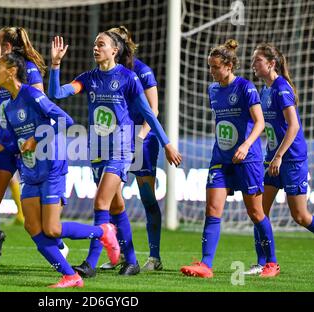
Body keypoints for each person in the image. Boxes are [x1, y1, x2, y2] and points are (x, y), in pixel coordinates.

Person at [48, 33, 181, 277]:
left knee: (101, 203)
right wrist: (55, 64)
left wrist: (167, 143)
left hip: (121, 150)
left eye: (101, 44)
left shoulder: (128, 78)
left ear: (114, 50)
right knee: (116, 207)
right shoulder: (88, 78)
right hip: (97, 150)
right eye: (94, 44)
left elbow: (149, 114)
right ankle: (131, 261)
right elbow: (57, 93)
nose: (95, 48)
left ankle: (90, 263)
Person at [0, 52, 120, 288]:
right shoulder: (8, 105)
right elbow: (17, 140)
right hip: (30, 171)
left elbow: (65, 120)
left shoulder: (31, 94)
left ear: (11, 71)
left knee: (52, 229)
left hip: (51, 166)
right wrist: (4, 146)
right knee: (32, 228)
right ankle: (71, 276)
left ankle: (102, 231)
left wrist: (36, 139)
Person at [180, 39, 280, 278]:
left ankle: (272, 263)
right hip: (221, 158)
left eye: (215, 67)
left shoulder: (245, 88)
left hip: (248, 159)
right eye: (209, 67)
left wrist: (245, 145)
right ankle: (205, 265)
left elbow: (260, 123)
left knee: (256, 213)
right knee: (212, 209)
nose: (211, 71)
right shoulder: (212, 89)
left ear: (228, 65)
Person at [0, 27, 68, 267]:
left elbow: (41, 107)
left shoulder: (29, 69)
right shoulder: (1, 67)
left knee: (40, 219)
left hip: (28, 145)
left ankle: (59, 244)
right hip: (4, 142)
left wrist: (33, 139)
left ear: (7, 45)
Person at [98, 25, 179, 272]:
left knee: (147, 198)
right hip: (115, 142)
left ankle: (154, 257)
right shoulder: (107, 73)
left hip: (142, 142)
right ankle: (122, 254)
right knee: (111, 199)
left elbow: (152, 109)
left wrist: (140, 138)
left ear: (121, 45)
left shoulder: (142, 71)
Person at [243, 43, 313, 275]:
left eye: (258, 60)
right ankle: (264, 263)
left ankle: (266, 262)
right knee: (259, 211)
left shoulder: (281, 88)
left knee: (300, 217)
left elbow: (293, 126)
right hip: (271, 159)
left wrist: (280, 156)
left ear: (271, 64)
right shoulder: (265, 90)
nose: (253, 64)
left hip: (290, 160)